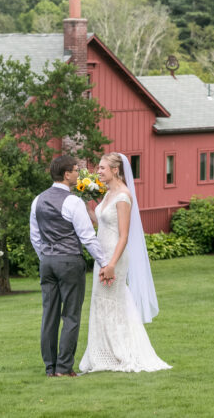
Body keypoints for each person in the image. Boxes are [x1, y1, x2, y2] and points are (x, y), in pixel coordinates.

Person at [79, 152, 171, 373]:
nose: (98, 172)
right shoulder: (108, 194)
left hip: (114, 256)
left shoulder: (123, 196)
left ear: (115, 170)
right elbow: (101, 221)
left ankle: (122, 352)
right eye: (98, 168)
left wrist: (111, 264)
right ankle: (104, 352)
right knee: (102, 302)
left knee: (114, 301)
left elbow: (123, 235)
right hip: (102, 255)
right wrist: (85, 207)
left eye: (102, 168)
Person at [30, 155, 112, 377]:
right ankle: (64, 368)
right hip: (69, 262)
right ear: (67, 174)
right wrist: (104, 262)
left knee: (49, 315)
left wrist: (46, 257)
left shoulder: (37, 200)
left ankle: (50, 367)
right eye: (76, 170)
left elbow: (35, 237)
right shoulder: (73, 202)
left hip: (47, 262)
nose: (78, 174)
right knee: (71, 316)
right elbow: (87, 237)